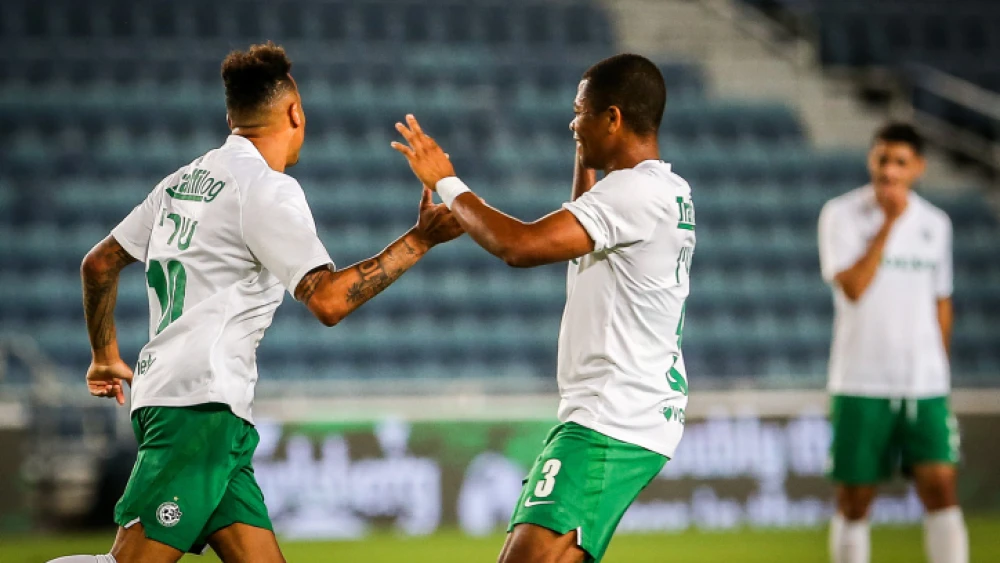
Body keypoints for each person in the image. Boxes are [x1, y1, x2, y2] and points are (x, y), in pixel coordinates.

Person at [55, 42, 462, 563]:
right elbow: (329, 301)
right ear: (295, 112)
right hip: (198, 409)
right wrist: (419, 241)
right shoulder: (265, 188)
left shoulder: (182, 182)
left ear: (232, 117)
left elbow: (99, 264)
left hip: (193, 406)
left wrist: (104, 354)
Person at [391, 53, 695, 563]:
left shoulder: (634, 192)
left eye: (581, 112)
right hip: (633, 410)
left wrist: (447, 180)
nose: (572, 122)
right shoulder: (667, 188)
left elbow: (520, 246)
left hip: (609, 417)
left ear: (614, 119)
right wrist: (586, 155)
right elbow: (586, 227)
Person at [818, 123, 967, 563]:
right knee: (855, 500)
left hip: (924, 385)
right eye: (882, 159)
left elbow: (942, 301)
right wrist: (888, 225)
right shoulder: (841, 215)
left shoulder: (936, 225)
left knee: (941, 488)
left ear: (918, 168)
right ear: (871, 161)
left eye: (900, 162)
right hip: (861, 381)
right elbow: (855, 287)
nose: (889, 171)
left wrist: (937, 365)